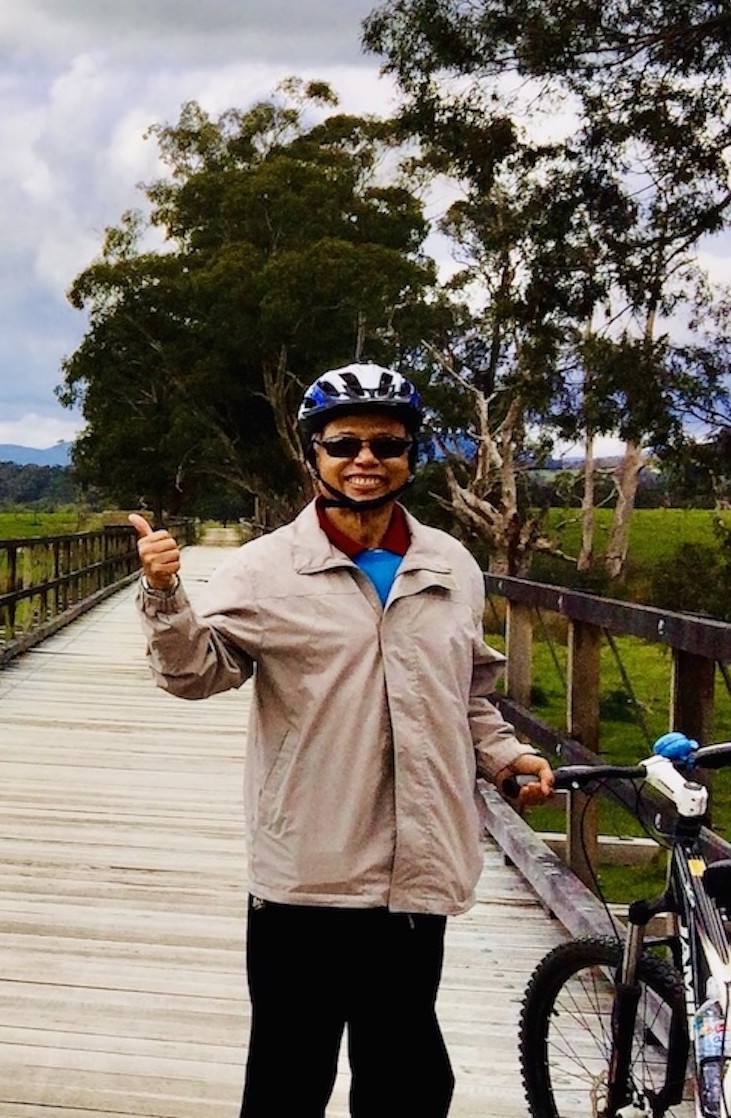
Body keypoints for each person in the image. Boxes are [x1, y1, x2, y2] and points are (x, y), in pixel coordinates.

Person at [126, 362, 554, 1118]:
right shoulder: (264, 570)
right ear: (314, 454)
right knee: (290, 1084)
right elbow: (196, 673)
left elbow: (469, 692)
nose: (366, 459)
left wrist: (507, 756)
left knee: (408, 1084)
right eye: (344, 444)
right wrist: (164, 595)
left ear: (411, 454)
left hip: (416, 875)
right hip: (308, 876)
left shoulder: (450, 564)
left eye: (387, 444)